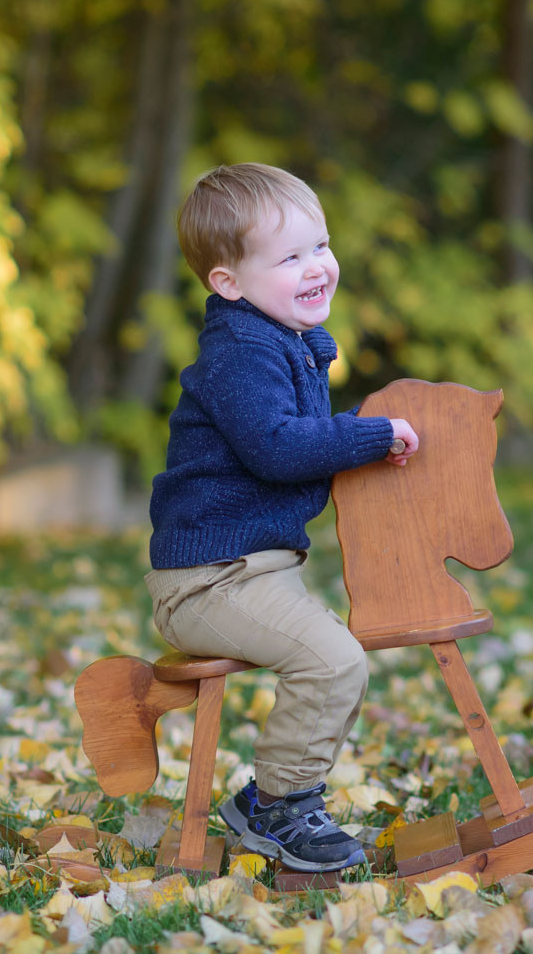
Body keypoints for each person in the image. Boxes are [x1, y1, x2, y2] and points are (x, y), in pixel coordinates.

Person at [144, 163, 419, 873]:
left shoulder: (277, 341)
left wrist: (361, 437)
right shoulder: (239, 352)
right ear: (228, 284)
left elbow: (297, 441)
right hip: (209, 583)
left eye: (320, 246)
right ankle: (280, 806)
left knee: (338, 659)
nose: (316, 266)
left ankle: (269, 799)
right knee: (334, 659)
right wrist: (369, 434)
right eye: (289, 257)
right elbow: (275, 448)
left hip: (255, 573)